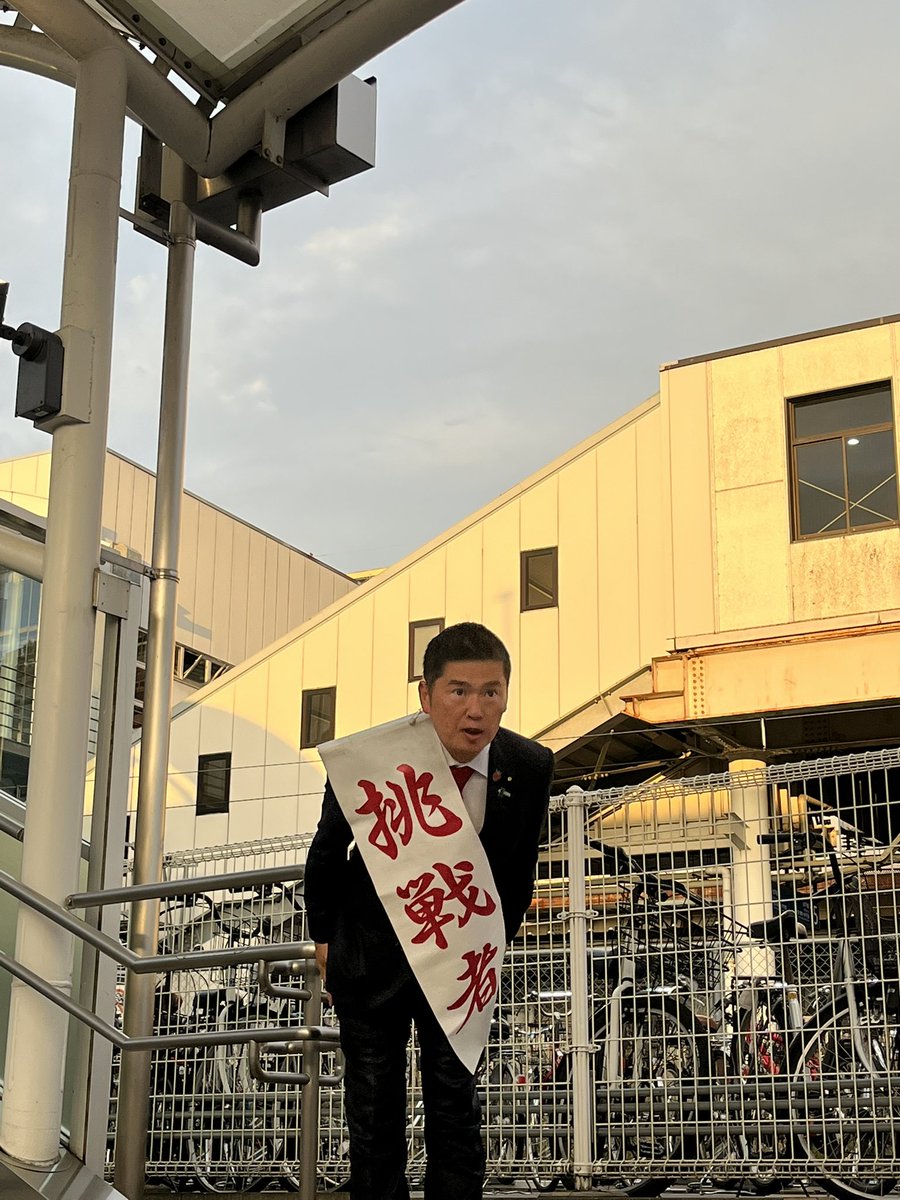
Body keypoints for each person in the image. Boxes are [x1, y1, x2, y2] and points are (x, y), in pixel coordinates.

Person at [304, 621, 553, 1200]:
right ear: (426, 694)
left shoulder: (530, 764)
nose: (476, 709)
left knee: (457, 1108)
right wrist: (325, 942)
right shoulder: (373, 758)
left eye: (491, 691)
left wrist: (491, 945)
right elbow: (326, 851)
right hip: (370, 961)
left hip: (460, 967)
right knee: (373, 1115)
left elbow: (519, 872)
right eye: (459, 690)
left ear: (507, 696)